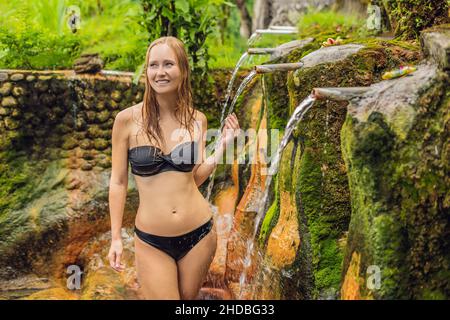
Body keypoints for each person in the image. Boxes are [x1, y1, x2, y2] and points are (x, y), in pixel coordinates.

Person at [107, 36, 241, 300]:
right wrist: (115, 239)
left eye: (168, 64)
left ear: (182, 70)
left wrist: (223, 146)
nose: (160, 72)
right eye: (153, 65)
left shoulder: (197, 120)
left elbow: (194, 178)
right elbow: (118, 182)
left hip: (200, 235)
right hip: (152, 241)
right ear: (146, 72)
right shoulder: (126, 121)